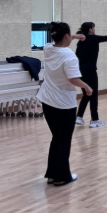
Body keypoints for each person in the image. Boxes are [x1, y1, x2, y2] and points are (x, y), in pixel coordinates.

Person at [36, 22, 93, 186]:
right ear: (66, 36)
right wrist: (87, 87)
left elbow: (59, 41)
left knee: (57, 137)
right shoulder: (69, 56)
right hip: (63, 105)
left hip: (47, 101)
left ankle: (52, 174)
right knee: (64, 139)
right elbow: (73, 79)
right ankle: (62, 176)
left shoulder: (48, 49)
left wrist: (74, 36)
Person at [75, 19, 107, 128]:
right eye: (93, 27)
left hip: (81, 72)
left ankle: (79, 117)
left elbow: (76, 56)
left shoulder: (80, 42)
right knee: (93, 95)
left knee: (87, 94)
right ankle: (94, 120)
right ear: (90, 29)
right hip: (90, 71)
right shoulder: (93, 38)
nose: (94, 29)